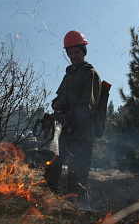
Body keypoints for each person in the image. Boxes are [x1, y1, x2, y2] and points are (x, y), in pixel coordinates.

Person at [44, 30, 102, 206]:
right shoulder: (68, 75)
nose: (73, 56)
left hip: (82, 134)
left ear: (83, 51)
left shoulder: (90, 74)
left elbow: (88, 106)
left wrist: (68, 117)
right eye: (70, 53)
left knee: (76, 177)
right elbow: (60, 96)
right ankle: (49, 204)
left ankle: (75, 213)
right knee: (52, 167)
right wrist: (57, 104)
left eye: (76, 52)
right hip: (65, 133)